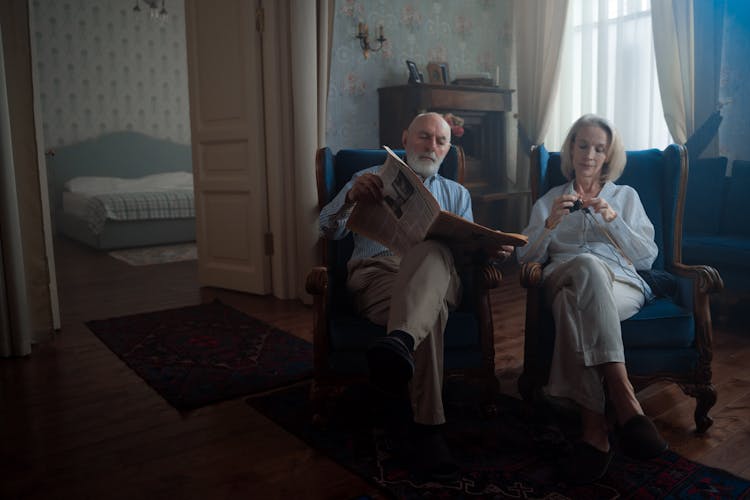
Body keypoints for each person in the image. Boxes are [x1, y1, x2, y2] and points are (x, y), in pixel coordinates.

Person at [319, 112, 513, 480]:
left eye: (441, 141)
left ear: (447, 149)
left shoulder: (457, 194)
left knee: (433, 253)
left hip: (439, 274)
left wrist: (487, 249)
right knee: (429, 309)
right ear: (405, 138)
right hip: (379, 276)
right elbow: (327, 231)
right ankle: (428, 428)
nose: (432, 146)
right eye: (424, 137)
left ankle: (400, 344)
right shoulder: (368, 180)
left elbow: (466, 254)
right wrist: (348, 200)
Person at [515, 114, 668, 484]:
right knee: (585, 265)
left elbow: (647, 258)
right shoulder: (550, 199)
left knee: (575, 305)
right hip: (562, 275)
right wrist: (550, 224)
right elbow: (525, 259)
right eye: (582, 145)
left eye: (599, 148)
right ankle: (624, 395)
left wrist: (614, 220)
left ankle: (593, 428)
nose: (589, 154)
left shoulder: (625, 197)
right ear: (570, 148)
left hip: (621, 285)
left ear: (608, 155)